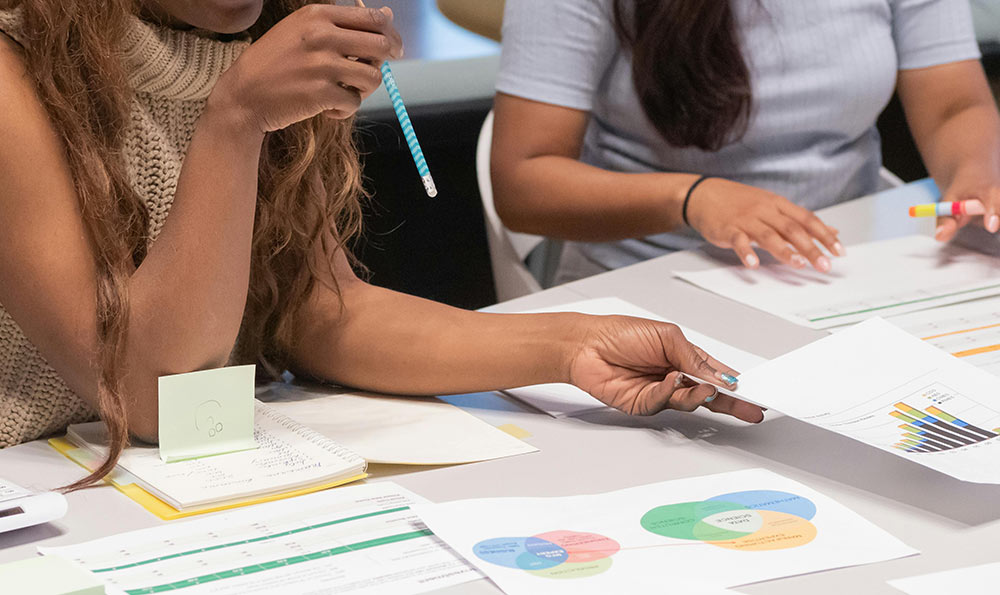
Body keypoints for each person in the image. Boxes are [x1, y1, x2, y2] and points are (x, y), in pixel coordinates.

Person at [0, 0, 763, 487]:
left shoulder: (267, 38)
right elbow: (145, 391)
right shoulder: (18, 66)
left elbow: (321, 312)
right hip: (43, 494)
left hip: (185, 480)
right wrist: (232, 124)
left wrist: (569, 346)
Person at [492, 0, 1000, 283]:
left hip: (849, 269)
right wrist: (690, 198)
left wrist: (977, 176)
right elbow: (523, 181)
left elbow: (955, 105)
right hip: (648, 278)